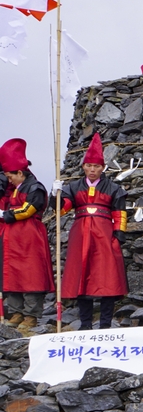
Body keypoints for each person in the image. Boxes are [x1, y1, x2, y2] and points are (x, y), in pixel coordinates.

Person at [57, 134, 128, 330]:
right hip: (80, 235)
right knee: (82, 277)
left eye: (96, 166)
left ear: (102, 168)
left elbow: (119, 213)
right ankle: (85, 323)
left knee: (107, 278)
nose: (92, 170)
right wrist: (57, 195)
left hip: (104, 236)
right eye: (89, 166)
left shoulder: (113, 188)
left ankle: (105, 323)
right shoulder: (73, 187)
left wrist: (118, 235)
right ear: (84, 167)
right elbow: (62, 209)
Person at [0, 139, 54, 333]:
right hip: (12, 238)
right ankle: (16, 312)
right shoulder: (14, 189)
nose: (9, 180)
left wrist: (5, 215)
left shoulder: (35, 188)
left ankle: (31, 314)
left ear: (20, 173)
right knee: (12, 273)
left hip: (30, 236)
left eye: (10, 176)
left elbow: (29, 209)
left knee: (31, 274)